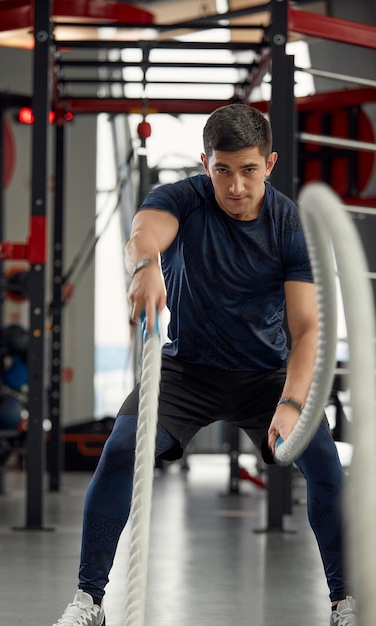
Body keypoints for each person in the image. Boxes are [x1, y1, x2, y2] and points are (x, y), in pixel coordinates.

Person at [52, 103, 357, 626]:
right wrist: (146, 266)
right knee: (122, 448)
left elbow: (308, 329)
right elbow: (143, 233)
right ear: (205, 163)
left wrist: (290, 402)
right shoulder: (184, 199)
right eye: (222, 170)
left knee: (326, 468)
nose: (235, 186)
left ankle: (344, 601)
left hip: (268, 376)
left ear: (270, 163)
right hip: (188, 370)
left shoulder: (291, 225)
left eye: (249, 170)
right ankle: (88, 602)